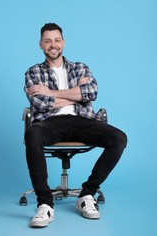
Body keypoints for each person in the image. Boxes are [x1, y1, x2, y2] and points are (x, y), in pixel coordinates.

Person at [24, 23, 127, 228]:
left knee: (119, 138)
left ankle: (87, 194)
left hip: (82, 120)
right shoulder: (33, 72)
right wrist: (76, 94)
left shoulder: (80, 67)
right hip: (49, 123)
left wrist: (51, 92)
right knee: (32, 133)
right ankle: (45, 203)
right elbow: (39, 104)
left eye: (56, 40)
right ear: (40, 45)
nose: (53, 45)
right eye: (47, 41)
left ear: (63, 43)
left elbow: (91, 93)